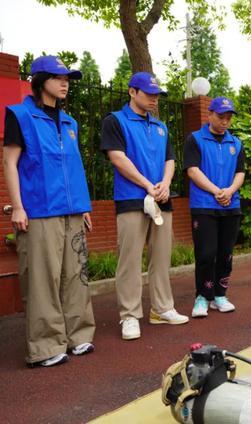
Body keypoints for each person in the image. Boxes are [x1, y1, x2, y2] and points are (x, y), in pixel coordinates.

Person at [3, 55, 95, 367]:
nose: (65, 83)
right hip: (39, 210)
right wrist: (17, 206)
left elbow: (74, 167)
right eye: (59, 78)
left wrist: (83, 207)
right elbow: (10, 163)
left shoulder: (70, 122)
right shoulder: (19, 116)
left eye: (67, 78)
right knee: (42, 280)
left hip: (72, 211)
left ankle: (78, 336)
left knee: (76, 276)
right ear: (41, 80)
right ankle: (45, 346)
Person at [101, 72, 188, 340]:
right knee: (129, 260)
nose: (154, 99)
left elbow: (170, 159)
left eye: (156, 95)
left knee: (161, 257)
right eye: (148, 94)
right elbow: (117, 157)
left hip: (162, 198)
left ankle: (162, 309)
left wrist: (164, 182)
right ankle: (129, 315)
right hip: (131, 199)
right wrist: (147, 185)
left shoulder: (161, 127)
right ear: (132, 92)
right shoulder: (115, 121)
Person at [185, 97, 245, 317]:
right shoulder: (195, 139)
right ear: (209, 114)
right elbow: (192, 170)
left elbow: (241, 173)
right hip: (204, 206)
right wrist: (215, 191)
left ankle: (220, 295)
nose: (225, 122)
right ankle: (203, 296)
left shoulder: (236, 143)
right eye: (221, 117)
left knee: (225, 254)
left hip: (231, 206)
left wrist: (229, 191)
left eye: (228, 118)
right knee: (206, 253)